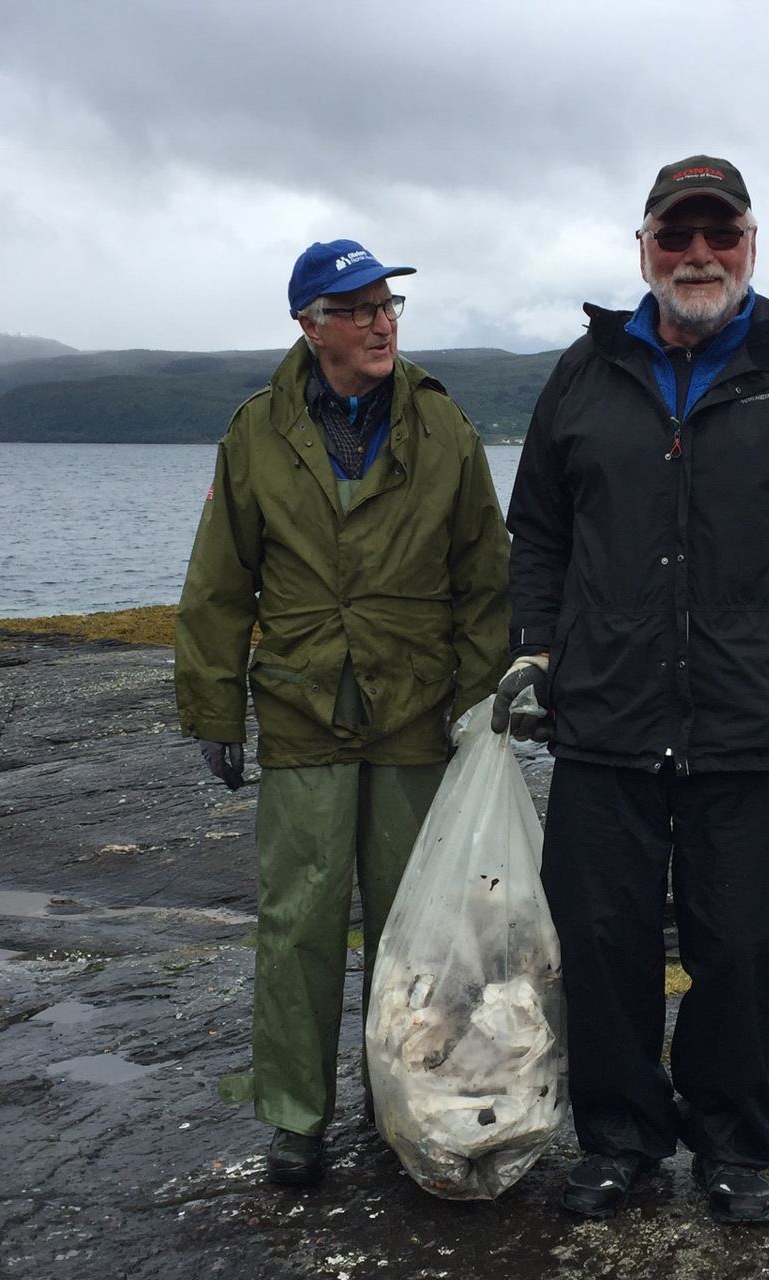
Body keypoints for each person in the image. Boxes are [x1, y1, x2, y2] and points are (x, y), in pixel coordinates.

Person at [497, 156, 769, 1224]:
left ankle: (732, 1145)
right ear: (642, 249)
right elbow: (537, 533)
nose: (697, 256)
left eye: (718, 235)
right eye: (676, 237)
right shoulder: (585, 375)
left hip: (754, 725)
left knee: (754, 952)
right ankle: (621, 1138)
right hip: (607, 725)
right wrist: (535, 652)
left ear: (750, 245)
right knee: (600, 942)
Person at [176, 239, 511, 1186]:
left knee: (421, 929)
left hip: (415, 709)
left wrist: (485, 708)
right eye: (356, 307)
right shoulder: (254, 433)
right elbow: (217, 584)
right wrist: (213, 709)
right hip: (299, 706)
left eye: (388, 304)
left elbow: (485, 577)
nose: (381, 322)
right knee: (298, 923)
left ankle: (410, 1102)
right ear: (308, 324)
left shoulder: (443, 427)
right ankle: (295, 1115)